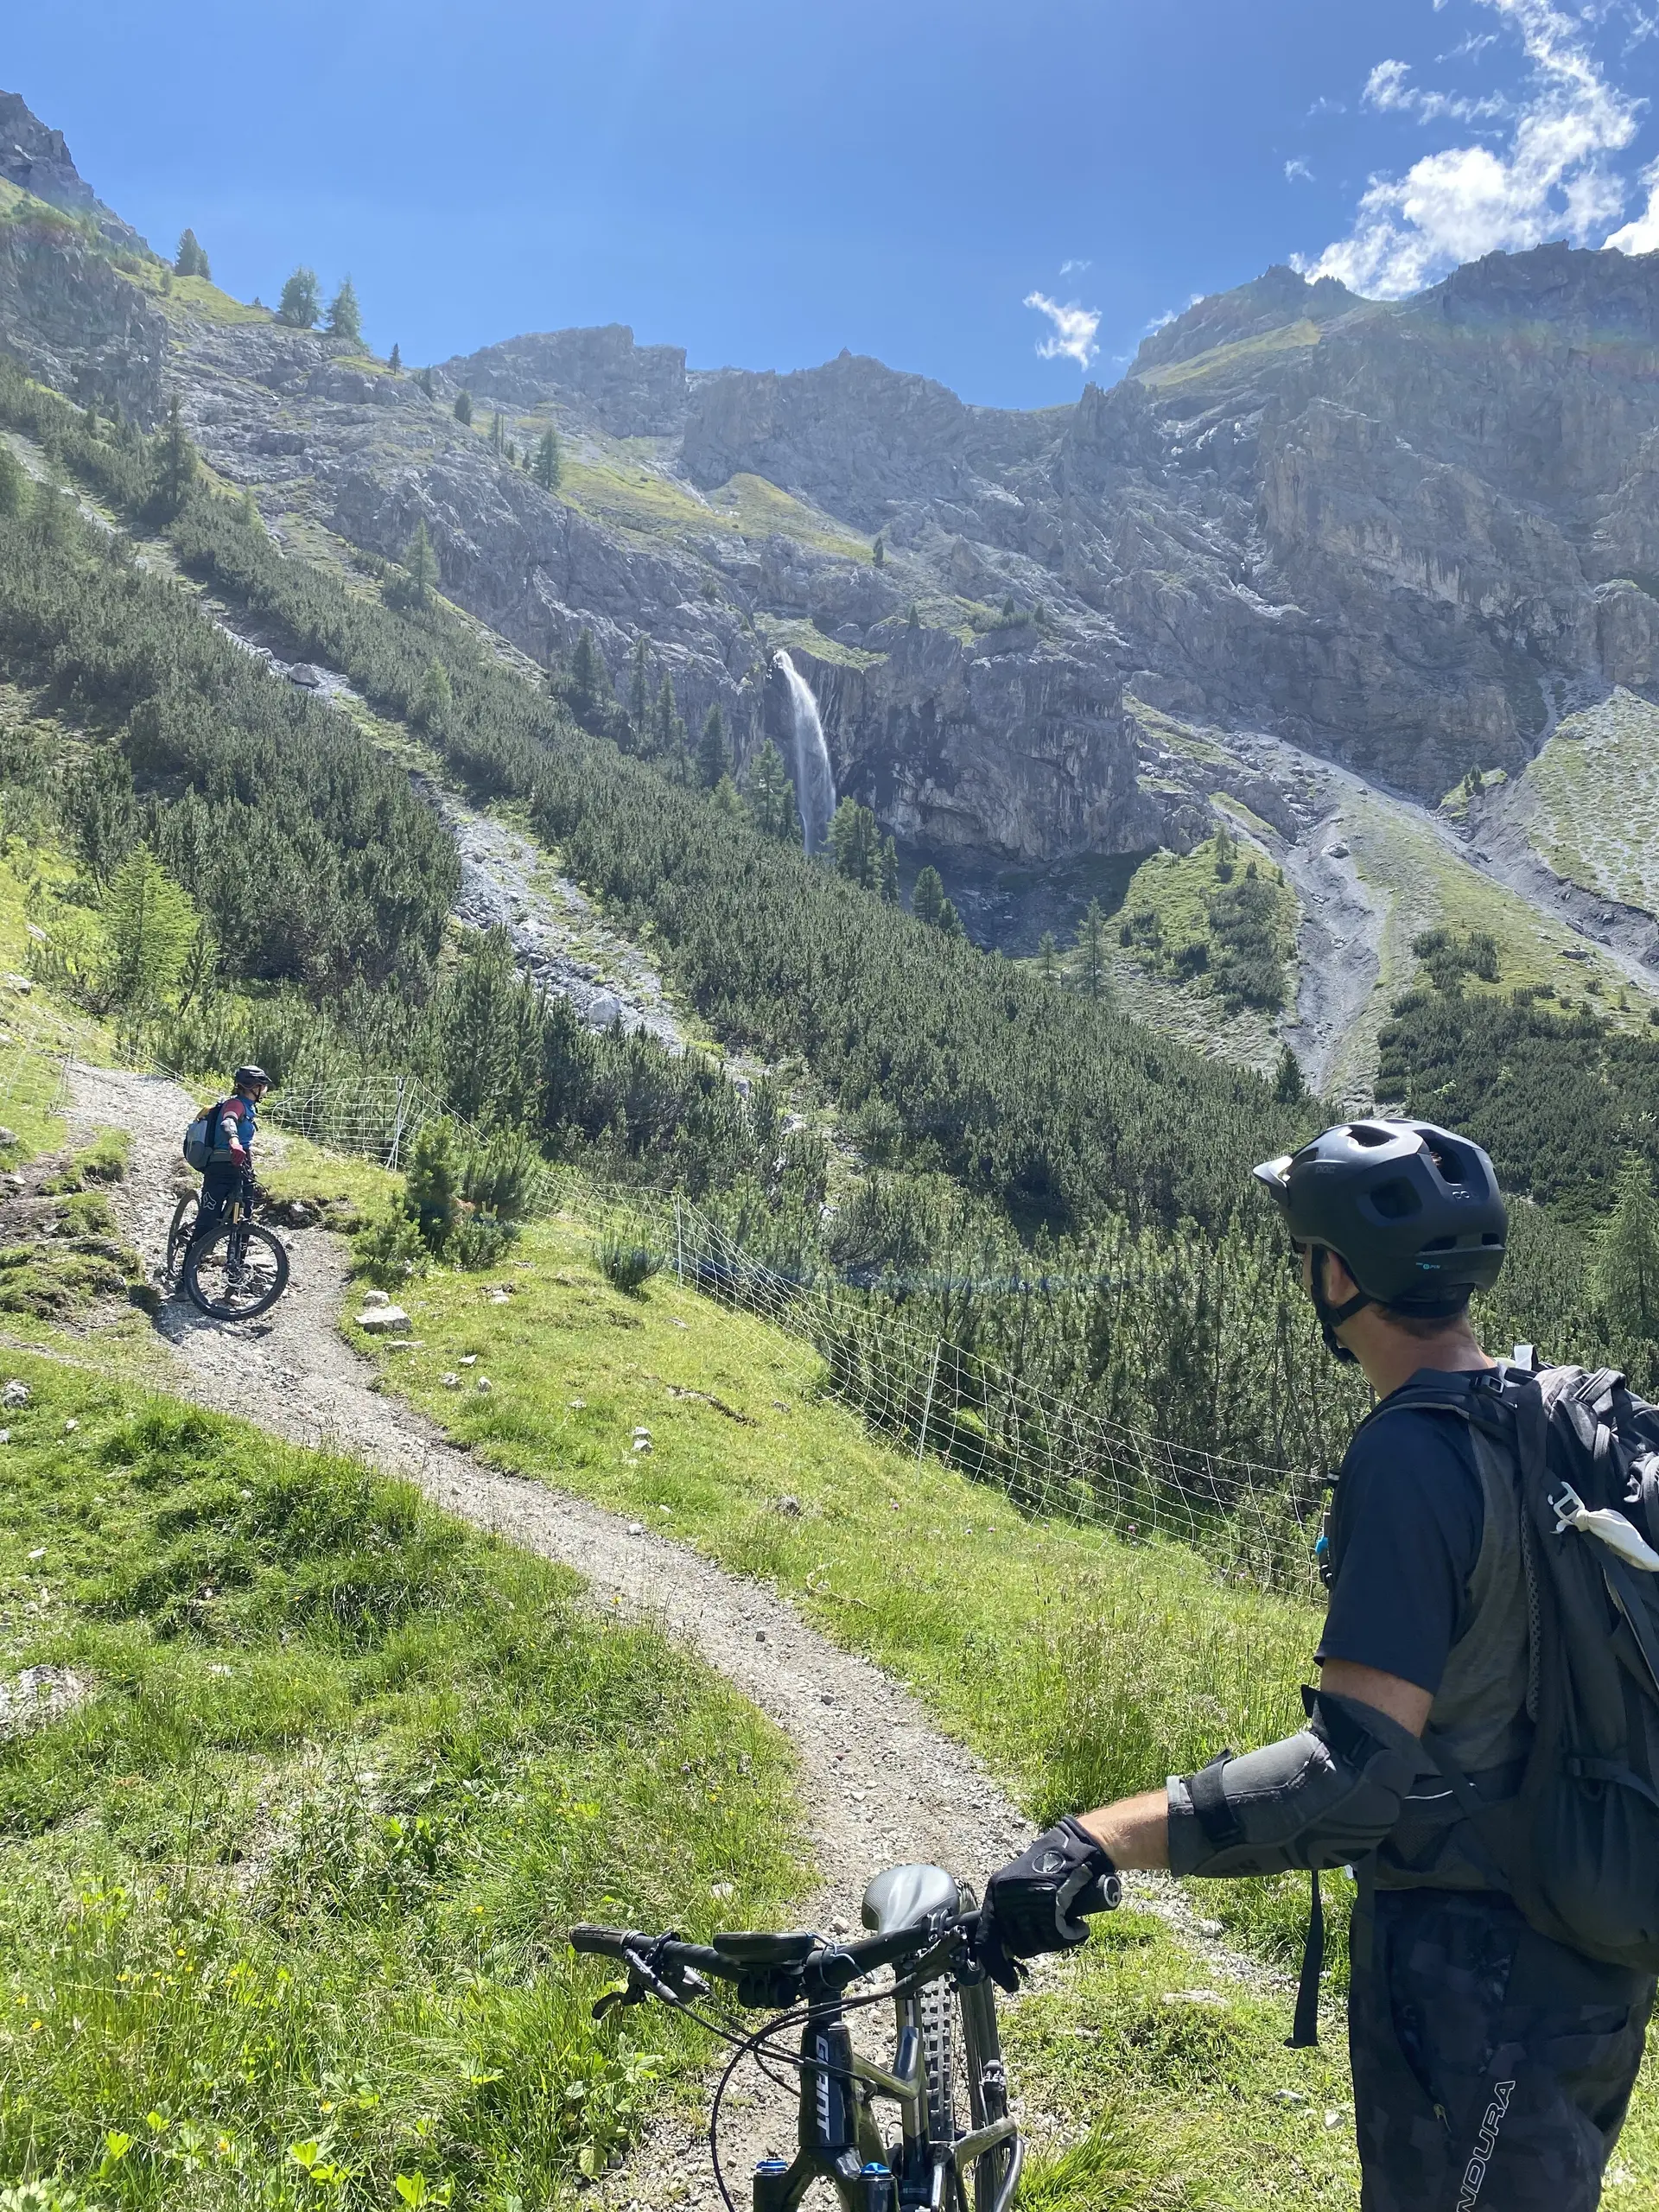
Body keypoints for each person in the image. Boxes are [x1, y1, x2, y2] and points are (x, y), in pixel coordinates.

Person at [976, 1117, 1655, 2211]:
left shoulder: (1412, 1454)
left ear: (1336, 1272)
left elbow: (1346, 1778)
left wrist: (1093, 1840)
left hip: (1474, 1976)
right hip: (1595, 1945)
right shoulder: (1557, 1415)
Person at [192, 1065, 270, 1244]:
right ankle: (187, 1267)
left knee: (244, 1219)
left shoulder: (250, 1108)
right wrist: (234, 1142)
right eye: (262, 1086)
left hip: (243, 1165)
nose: (264, 1091)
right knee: (207, 1220)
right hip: (221, 1165)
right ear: (254, 1087)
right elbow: (228, 1122)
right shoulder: (235, 1103)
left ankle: (236, 1267)